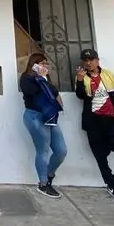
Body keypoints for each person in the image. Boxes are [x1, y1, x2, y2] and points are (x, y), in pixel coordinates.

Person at [75, 48, 114, 201]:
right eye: (85, 60)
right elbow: (81, 96)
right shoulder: (82, 77)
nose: (88, 62)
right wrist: (79, 80)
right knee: (100, 157)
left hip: (111, 119)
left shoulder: (108, 74)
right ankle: (113, 185)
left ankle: (105, 148)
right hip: (93, 121)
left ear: (97, 60)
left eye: (91, 59)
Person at [19, 53, 67, 198]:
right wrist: (39, 78)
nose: (45, 66)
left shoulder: (45, 79)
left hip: (50, 117)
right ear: (34, 64)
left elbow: (54, 93)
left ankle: (49, 174)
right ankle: (43, 183)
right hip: (34, 117)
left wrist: (44, 78)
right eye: (42, 63)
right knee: (43, 150)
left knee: (61, 151)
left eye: (46, 63)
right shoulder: (26, 78)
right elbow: (31, 92)